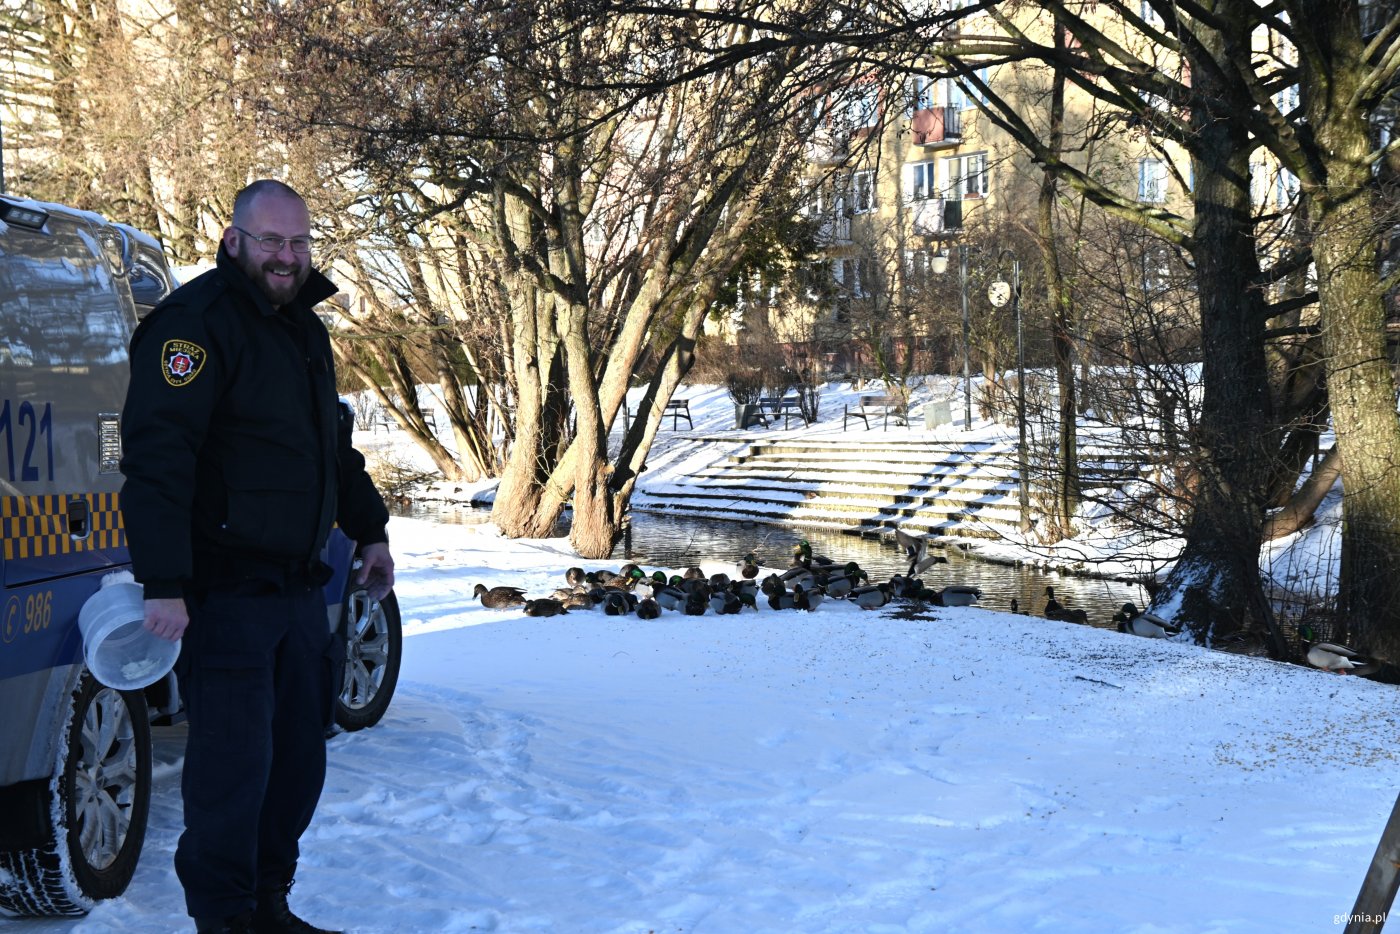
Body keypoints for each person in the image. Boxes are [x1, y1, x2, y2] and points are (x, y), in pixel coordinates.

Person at [120, 179, 394, 934]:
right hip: (226, 594)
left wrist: (369, 530)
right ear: (235, 238)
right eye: (271, 241)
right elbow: (158, 460)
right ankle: (227, 919)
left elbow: (328, 449)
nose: (287, 256)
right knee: (232, 776)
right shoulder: (195, 325)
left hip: (300, 591)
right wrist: (164, 581)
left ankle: (269, 905)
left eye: (299, 242)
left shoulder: (302, 328)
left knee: (296, 767)